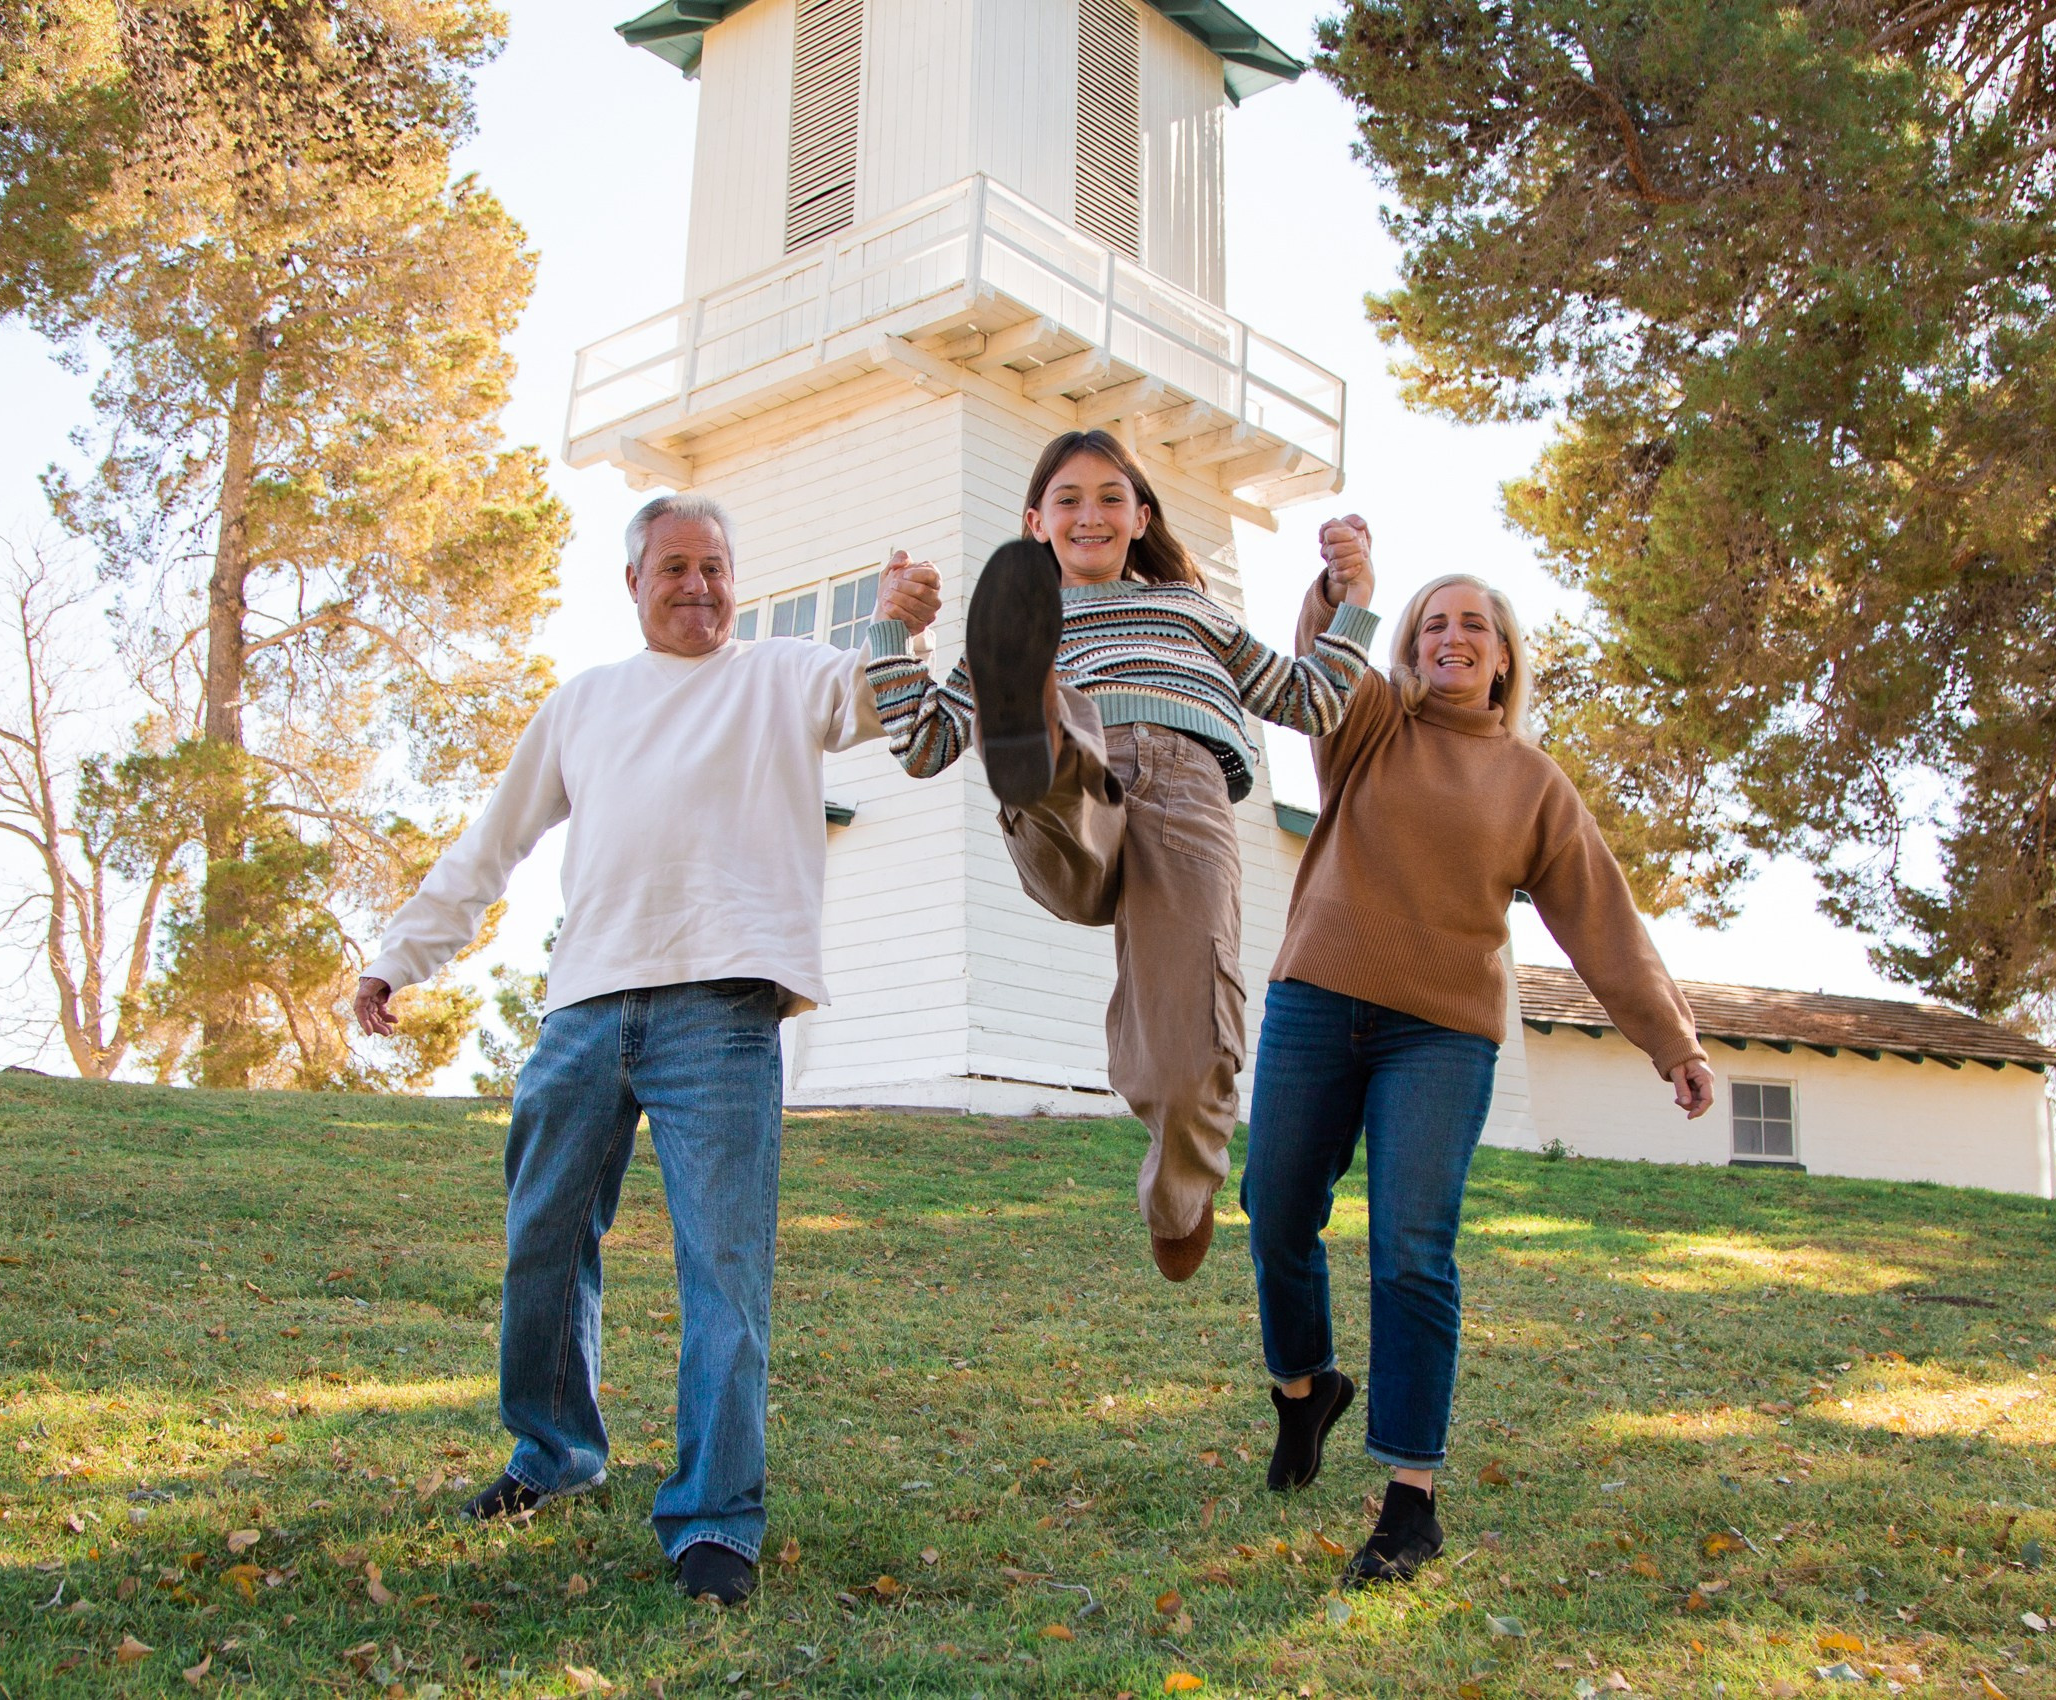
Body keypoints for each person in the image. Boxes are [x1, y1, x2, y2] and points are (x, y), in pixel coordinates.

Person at [353, 494, 939, 1607]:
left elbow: (872, 698)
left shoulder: (783, 675)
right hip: (583, 1008)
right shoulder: (583, 704)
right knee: (542, 1240)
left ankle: (714, 1517)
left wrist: (895, 622)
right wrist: (398, 957)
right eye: (674, 566)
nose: (698, 586)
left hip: (720, 1012)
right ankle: (555, 1452)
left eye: (714, 565)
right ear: (633, 582)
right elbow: (493, 843)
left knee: (724, 1266)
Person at [1241, 532, 1716, 1588]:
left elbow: (1601, 920)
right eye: (1432, 623)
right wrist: (1343, 588)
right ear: (1410, 646)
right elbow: (1321, 660)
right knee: (1274, 1207)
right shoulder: (1369, 722)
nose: (1451, 636)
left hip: (1440, 1035)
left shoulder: (1533, 784)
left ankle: (1410, 1503)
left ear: (1503, 657)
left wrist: (1671, 1038)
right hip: (1316, 1002)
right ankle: (1305, 1388)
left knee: (1412, 1249)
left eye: (1473, 624)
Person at [864, 429, 1381, 1281]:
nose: (1090, 514)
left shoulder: (1189, 608)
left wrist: (1350, 597)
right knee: (1053, 725)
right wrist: (893, 630)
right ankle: (1036, 728)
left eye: (1111, 497)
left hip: (1185, 799)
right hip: (1072, 798)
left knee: (1186, 1054)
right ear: (1035, 523)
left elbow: (1311, 700)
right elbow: (923, 744)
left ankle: (1180, 1193)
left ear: (1142, 518)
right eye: (1067, 499)